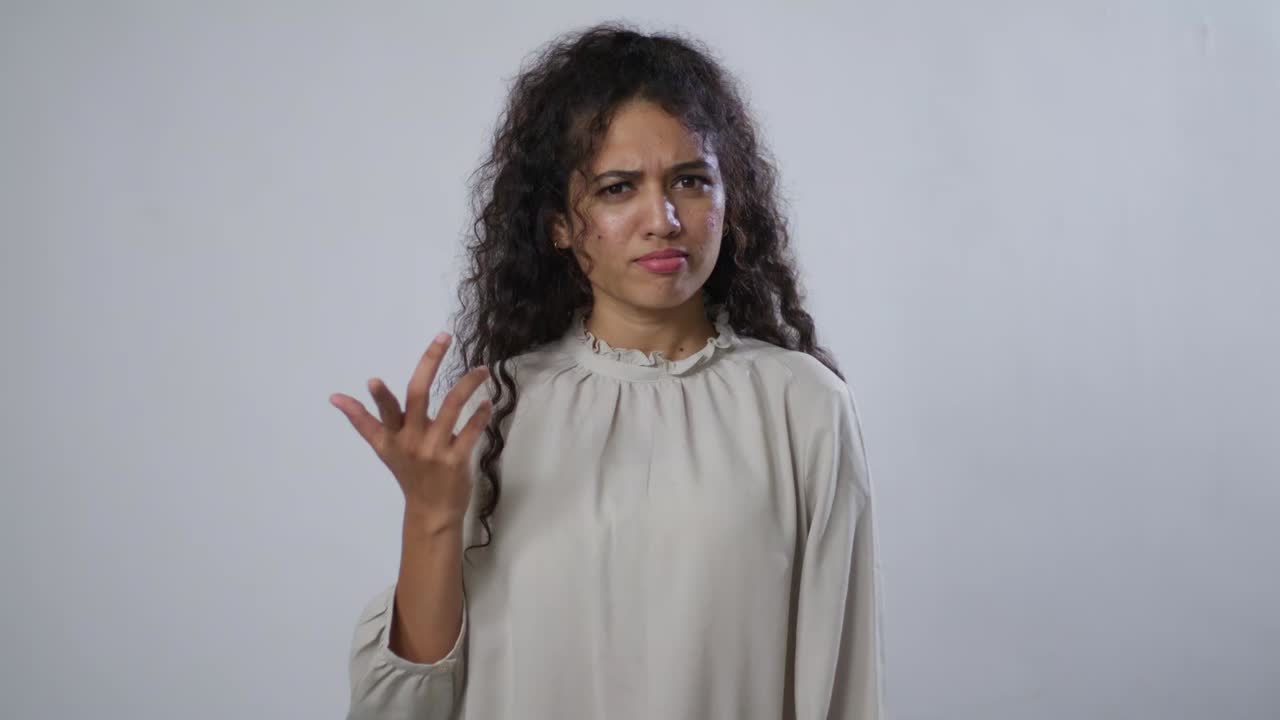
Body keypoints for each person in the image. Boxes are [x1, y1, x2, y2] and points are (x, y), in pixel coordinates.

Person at [329, 21, 887, 720]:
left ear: (728, 198)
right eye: (619, 188)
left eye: (690, 181)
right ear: (560, 222)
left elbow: (842, 684)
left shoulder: (802, 405)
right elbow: (405, 710)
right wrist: (431, 518)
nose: (663, 219)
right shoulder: (493, 414)